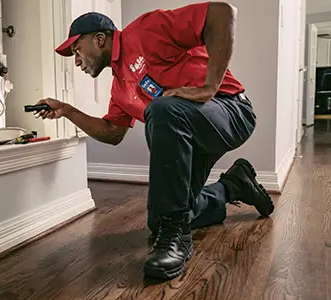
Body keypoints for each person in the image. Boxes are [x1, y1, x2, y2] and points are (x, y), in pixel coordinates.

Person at [34, 1, 274, 280]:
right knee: (158, 221)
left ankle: (178, 236)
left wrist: (209, 87)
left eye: (77, 50)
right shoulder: (120, 86)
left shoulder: (145, 31)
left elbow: (222, 12)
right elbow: (112, 133)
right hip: (190, 136)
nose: (76, 60)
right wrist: (67, 111)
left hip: (231, 111)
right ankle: (234, 186)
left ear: (99, 39)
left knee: (162, 109)